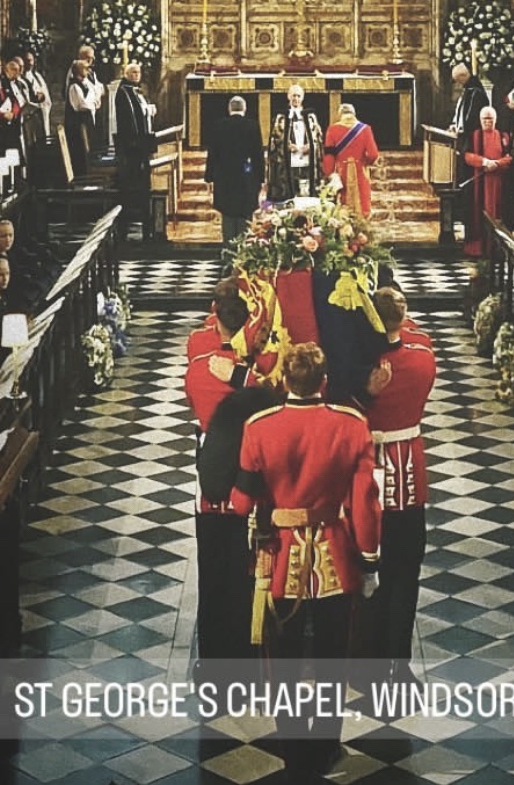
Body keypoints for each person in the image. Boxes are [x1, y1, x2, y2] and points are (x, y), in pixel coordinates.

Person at [231, 343, 381, 774]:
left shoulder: (259, 427)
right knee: (334, 657)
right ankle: (326, 745)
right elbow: (364, 504)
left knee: (284, 663)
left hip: (279, 560)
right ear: (325, 382)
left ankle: (294, 749)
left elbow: (242, 503)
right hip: (335, 556)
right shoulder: (351, 425)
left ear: (283, 382)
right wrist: (369, 560)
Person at [185, 286, 265, 661]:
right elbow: (275, 395)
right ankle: (246, 642)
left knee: (212, 564)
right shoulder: (256, 372)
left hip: (211, 472)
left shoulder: (199, 361)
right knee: (243, 562)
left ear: (214, 313)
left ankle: (214, 647)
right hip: (248, 472)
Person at [363, 288, 436, 678]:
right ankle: (399, 657)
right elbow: (417, 339)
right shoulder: (422, 356)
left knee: (369, 569)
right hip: (408, 468)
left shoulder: (362, 366)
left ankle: (371, 652)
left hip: (369, 475)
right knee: (405, 571)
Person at [205, 96, 265, 244]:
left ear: (229, 109)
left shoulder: (219, 125)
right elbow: (258, 155)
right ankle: (244, 254)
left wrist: (209, 177)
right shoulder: (252, 126)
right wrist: (261, 178)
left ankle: (228, 252)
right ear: (245, 109)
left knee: (228, 215)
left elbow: (212, 153)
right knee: (245, 216)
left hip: (224, 178)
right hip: (247, 177)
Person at [462, 107, 513, 257]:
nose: (487, 122)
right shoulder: (474, 136)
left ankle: (497, 246)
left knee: (497, 213)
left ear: (495, 120)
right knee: (479, 213)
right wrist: (484, 162)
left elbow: (510, 157)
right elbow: (467, 156)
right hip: (480, 182)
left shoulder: (503, 136)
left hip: (498, 182)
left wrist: (496, 164)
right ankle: (478, 246)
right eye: (484, 119)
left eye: (490, 119)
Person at [114, 62, 156, 231]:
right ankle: (134, 212)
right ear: (126, 74)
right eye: (133, 72)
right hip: (132, 144)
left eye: (138, 72)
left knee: (141, 176)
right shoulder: (124, 91)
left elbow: (140, 110)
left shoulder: (133, 90)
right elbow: (130, 117)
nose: (137, 75)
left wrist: (148, 109)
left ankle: (140, 210)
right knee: (133, 177)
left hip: (139, 142)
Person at [266, 84, 324, 202]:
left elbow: (318, 138)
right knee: (289, 195)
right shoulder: (281, 117)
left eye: (298, 96)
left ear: (302, 97)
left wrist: (311, 146)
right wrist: (285, 145)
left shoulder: (311, 117)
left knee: (306, 194)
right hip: (288, 162)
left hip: (307, 162)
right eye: (293, 96)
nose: (296, 99)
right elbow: (274, 139)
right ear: (288, 97)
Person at [322, 103, 379, 217]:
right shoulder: (365, 129)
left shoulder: (332, 129)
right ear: (354, 114)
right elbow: (373, 154)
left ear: (340, 114)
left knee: (343, 205)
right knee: (362, 205)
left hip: (342, 171)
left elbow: (329, 156)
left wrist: (329, 173)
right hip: (360, 172)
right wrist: (364, 163)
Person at [64, 59, 101, 177]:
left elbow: (95, 96)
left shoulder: (85, 83)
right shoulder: (74, 86)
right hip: (77, 124)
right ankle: (82, 175)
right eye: (85, 68)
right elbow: (82, 105)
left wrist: (94, 102)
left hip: (87, 121)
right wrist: (93, 104)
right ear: (78, 71)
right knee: (80, 152)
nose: (88, 70)